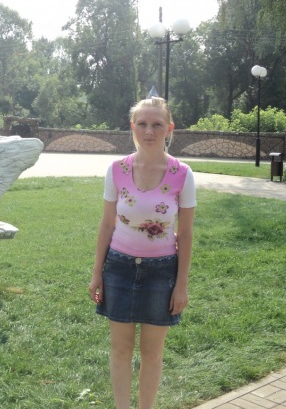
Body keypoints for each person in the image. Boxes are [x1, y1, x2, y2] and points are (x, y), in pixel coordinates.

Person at [89, 97, 196, 409]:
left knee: (152, 352)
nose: (149, 131)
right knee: (120, 349)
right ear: (132, 127)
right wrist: (97, 273)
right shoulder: (117, 170)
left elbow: (186, 233)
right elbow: (107, 223)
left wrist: (181, 284)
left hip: (162, 273)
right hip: (119, 268)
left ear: (169, 128)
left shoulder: (182, 174)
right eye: (142, 124)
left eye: (157, 124)